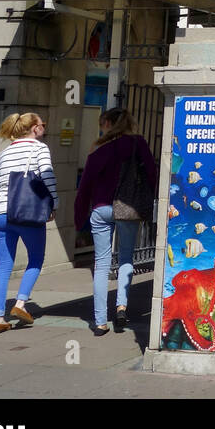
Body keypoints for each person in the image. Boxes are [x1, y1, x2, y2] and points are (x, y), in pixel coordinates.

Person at [74, 108, 159, 336]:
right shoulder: (137, 144)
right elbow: (152, 173)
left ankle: (100, 321)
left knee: (101, 265)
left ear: (109, 124)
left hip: (100, 209)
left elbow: (85, 186)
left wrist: (79, 215)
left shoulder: (99, 148)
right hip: (128, 208)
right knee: (125, 258)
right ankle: (121, 307)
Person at [0, 112, 57, 334]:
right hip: (26, 213)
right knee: (36, 259)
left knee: (4, 266)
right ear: (35, 129)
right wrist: (54, 202)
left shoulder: (4, 152)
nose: (44, 128)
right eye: (42, 124)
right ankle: (19, 305)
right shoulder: (39, 148)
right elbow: (47, 176)